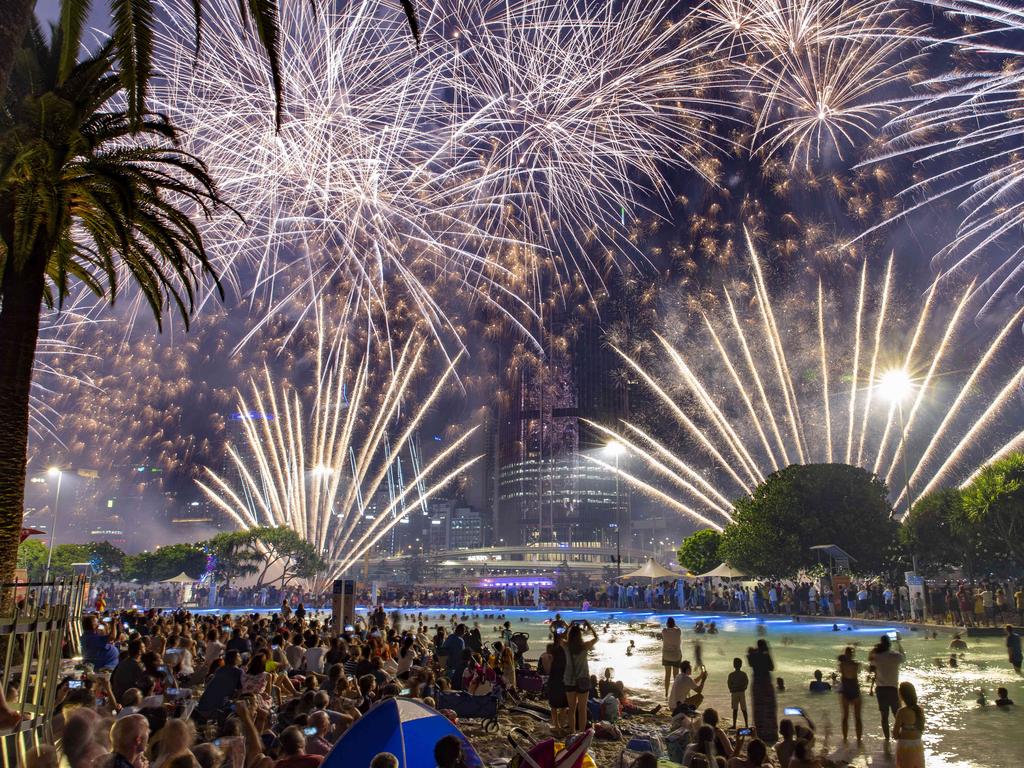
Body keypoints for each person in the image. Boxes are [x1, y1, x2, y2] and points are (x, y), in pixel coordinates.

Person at [563, 621, 599, 734]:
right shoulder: (585, 646)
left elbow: (559, 636)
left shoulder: (566, 646)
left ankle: (572, 732)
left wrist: (569, 625)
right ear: (580, 636)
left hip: (569, 681)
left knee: (571, 709)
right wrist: (588, 625)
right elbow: (597, 638)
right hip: (583, 680)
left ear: (569, 635)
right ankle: (582, 733)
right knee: (582, 709)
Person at [869, 634, 905, 741]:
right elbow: (904, 657)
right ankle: (901, 737)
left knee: (884, 717)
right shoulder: (895, 656)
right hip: (893, 689)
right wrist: (898, 643)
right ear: (889, 644)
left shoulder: (877, 657)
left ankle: (887, 740)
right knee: (898, 715)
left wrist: (875, 649)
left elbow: (870, 660)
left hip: (881, 690)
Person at [746, 639, 778, 745]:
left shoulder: (753, 655)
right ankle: (770, 734)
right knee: (769, 707)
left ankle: (759, 732)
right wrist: (768, 652)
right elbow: (772, 667)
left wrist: (753, 651)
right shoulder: (765, 655)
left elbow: (750, 662)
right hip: (766, 682)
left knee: (758, 707)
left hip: (756, 682)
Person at [893, 682, 925, 768]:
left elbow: (895, 735)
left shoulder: (901, 712)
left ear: (902, 696)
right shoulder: (920, 710)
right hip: (918, 745)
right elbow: (921, 730)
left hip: (905, 746)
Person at [837, 646, 862, 743]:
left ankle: (845, 739)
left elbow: (839, 658)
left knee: (845, 716)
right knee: (857, 717)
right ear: (852, 655)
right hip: (854, 690)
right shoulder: (856, 665)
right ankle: (859, 740)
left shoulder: (842, 665)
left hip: (846, 690)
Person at [662, 618, 683, 697]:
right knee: (676, 675)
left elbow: (666, 628)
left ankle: (666, 693)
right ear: (674, 624)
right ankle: (676, 693)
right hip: (676, 656)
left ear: (667, 624)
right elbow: (677, 627)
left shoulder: (664, 631)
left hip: (666, 655)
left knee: (667, 675)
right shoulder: (678, 631)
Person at [727, 658, 749, 728]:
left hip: (734, 693)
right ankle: (746, 725)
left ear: (734, 665)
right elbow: (746, 682)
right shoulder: (743, 674)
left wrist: (731, 689)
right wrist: (744, 688)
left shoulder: (731, 675)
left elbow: (729, 683)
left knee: (735, 709)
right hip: (741, 692)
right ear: (741, 665)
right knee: (744, 709)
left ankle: (734, 725)